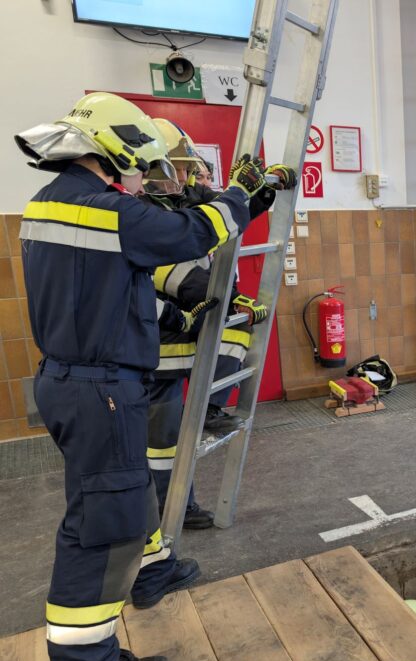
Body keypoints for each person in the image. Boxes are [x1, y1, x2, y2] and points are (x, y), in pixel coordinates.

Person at [16, 91, 266, 661]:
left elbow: (118, 284)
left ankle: (136, 591)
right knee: (103, 527)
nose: (141, 175)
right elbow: (193, 232)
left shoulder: (50, 203)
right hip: (101, 389)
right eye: (139, 163)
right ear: (116, 148)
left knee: (114, 506)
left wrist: (181, 312)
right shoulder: (107, 211)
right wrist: (240, 194)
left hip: (75, 382)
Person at [143, 118, 293, 529]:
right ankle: (169, 512)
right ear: (152, 168)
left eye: (187, 170)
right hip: (160, 345)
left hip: (194, 326)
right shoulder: (140, 213)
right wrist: (227, 296)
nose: (185, 178)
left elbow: (234, 212)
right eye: (177, 169)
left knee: (237, 332)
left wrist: (265, 187)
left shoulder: (187, 196)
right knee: (163, 444)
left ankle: (210, 405)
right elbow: (170, 273)